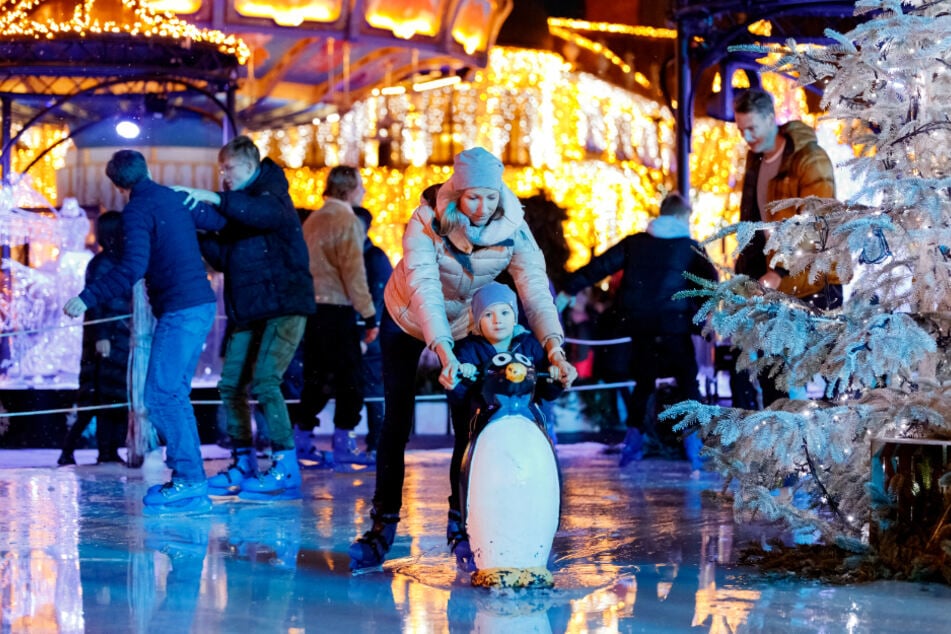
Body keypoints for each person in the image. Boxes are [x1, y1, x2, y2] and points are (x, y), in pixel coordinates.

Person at [348, 146, 577, 573]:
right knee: (396, 420)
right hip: (407, 316)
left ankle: (461, 526)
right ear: (456, 191)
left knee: (470, 420)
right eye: (473, 197)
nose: (483, 207)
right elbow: (425, 289)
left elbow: (534, 288)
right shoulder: (425, 224)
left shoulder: (514, 225)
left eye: (491, 197)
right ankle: (383, 524)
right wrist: (441, 350)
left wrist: (554, 346)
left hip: (461, 326)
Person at [64, 149, 226, 515]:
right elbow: (216, 219)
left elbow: (132, 268)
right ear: (146, 170)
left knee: (160, 395)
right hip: (199, 304)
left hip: (182, 309)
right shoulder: (171, 196)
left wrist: (86, 298)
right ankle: (191, 478)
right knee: (174, 395)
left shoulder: (136, 210)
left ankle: (189, 479)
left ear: (118, 186)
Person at [174, 135, 316, 500]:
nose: (223, 176)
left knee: (266, 381)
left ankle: (285, 466)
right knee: (231, 384)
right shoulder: (237, 210)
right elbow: (226, 259)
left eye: (229, 168)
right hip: (250, 308)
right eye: (220, 170)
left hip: (284, 305)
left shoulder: (273, 196)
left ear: (251, 165)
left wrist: (216, 199)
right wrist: (193, 231)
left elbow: (263, 215)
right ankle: (243, 461)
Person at [557, 193, 718, 472]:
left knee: (643, 384)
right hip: (674, 326)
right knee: (688, 383)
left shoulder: (635, 244)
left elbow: (600, 267)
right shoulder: (690, 248)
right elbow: (711, 282)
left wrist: (569, 288)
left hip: (640, 325)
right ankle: (694, 448)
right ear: (682, 218)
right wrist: (704, 318)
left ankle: (633, 443)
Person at [732, 87, 839, 408]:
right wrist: (746, 273)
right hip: (773, 283)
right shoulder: (756, 159)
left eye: (752, 128)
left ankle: (826, 445)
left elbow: (817, 219)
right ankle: (783, 442)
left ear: (771, 119)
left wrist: (780, 268)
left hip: (813, 280)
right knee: (772, 371)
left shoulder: (809, 158)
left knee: (823, 369)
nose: (747, 136)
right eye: (741, 130)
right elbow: (751, 220)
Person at [446, 282, 564, 570]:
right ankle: (460, 522)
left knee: (542, 469)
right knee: (466, 463)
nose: (497, 320)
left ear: (515, 315)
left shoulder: (531, 347)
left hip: (525, 429)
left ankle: (539, 527)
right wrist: (458, 380)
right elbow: (458, 395)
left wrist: (557, 379)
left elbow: (546, 389)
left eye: (504, 312)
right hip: (482, 429)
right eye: (488, 314)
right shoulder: (468, 350)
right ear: (476, 320)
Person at [300, 166, 379, 464]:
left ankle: (302, 439)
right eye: (361, 185)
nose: (364, 191)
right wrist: (369, 315)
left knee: (316, 377)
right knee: (351, 379)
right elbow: (353, 272)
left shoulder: (314, 219)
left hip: (313, 309)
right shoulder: (347, 219)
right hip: (337, 308)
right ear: (349, 188)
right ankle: (345, 445)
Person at [58, 211, 131, 466]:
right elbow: (95, 303)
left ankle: (109, 451)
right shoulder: (101, 264)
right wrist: (102, 336)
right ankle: (74, 450)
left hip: (120, 338)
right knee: (96, 400)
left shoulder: (119, 261)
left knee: (114, 398)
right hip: (105, 340)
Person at [353, 205, 393, 460]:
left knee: (374, 389)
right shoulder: (354, 255)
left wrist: (371, 328)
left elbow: (380, 297)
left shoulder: (374, 258)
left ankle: (378, 443)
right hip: (361, 331)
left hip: (372, 335)